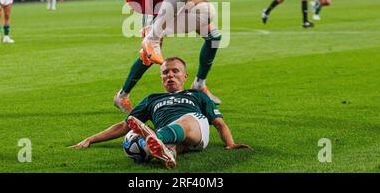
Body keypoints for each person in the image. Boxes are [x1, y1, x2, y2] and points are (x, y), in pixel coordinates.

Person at [71, 57, 249, 169]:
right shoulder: (152, 99)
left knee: (185, 121)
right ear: (161, 78)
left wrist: (230, 143)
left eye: (175, 71)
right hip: (174, 138)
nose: (170, 75)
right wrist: (90, 139)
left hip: (196, 127)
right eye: (165, 72)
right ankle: (167, 155)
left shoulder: (197, 95)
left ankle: (156, 137)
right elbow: (124, 126)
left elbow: (219, 123)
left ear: (185, 76)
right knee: (167, 148)